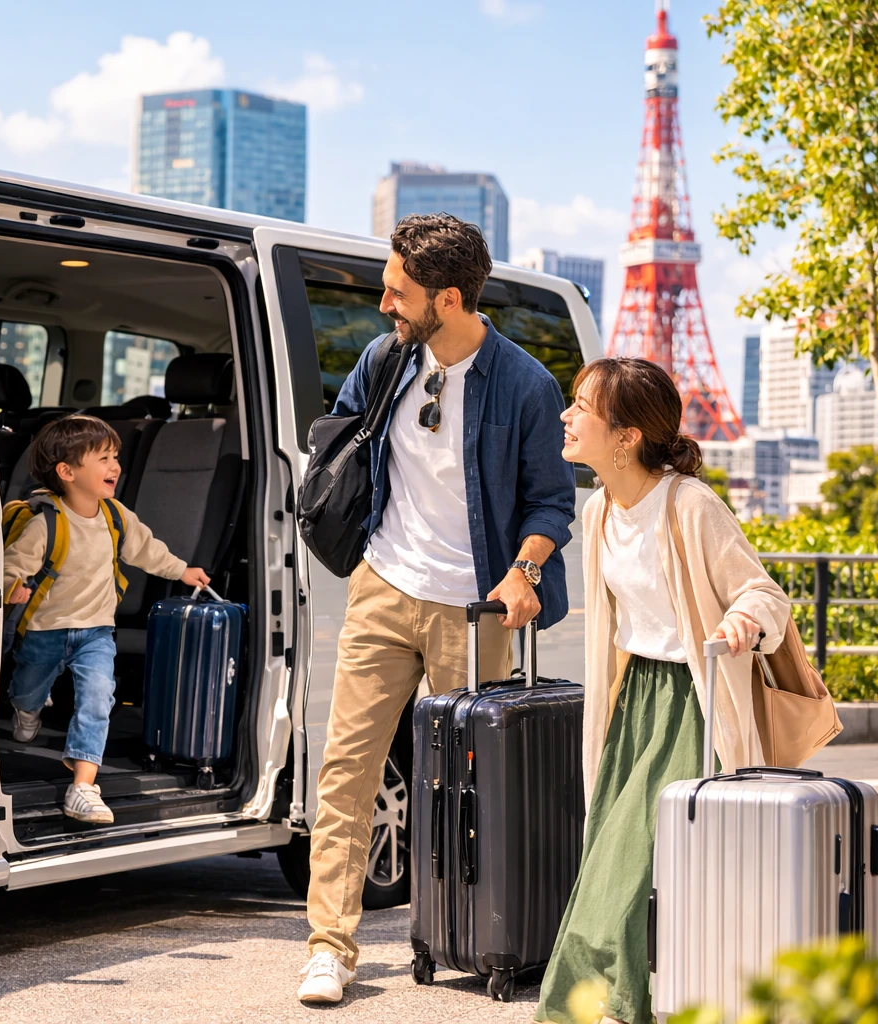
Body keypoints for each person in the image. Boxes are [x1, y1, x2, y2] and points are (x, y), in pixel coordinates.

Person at [297, 213, 577, 1005]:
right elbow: (342, 443)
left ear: (447, 298)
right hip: (383, 587)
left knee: (469, 785)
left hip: (474, 608)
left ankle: (474, 931)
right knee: (346, 771)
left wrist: (523, 571)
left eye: (398, 291)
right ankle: (330, 947)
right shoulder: (386, 359)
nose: (384, 303)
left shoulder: (524, 384)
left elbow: (552, 504)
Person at [534, 358, 791, 1024]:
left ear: (626, 437)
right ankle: (595, 1008)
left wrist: (741, 621)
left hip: (691, 703)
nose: (567, 416)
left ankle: (637, 1005)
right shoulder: (596, 514)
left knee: (651, 870)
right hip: (632, 705)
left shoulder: (688, 504)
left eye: (581, 407)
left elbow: (763, 593)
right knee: (606, 869)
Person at [3, 415, 210, 826]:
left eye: (115, 457)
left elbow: (148, 551)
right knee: (28, 691)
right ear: (67, 472)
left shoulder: (116, 517)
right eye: (102, 458)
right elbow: (13, 565)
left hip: (96, 630)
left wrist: (182, 571)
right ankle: (25, 710)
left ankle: (83, 786)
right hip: (46, 629)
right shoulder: (47, 522)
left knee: (98, 699)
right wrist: (13, 587)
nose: (115, 466)